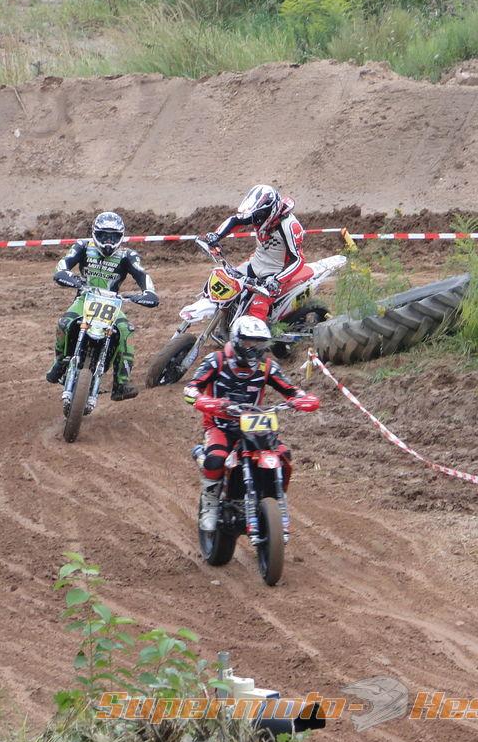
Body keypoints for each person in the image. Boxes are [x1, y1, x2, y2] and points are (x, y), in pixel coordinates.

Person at [183, 315, 319, 531]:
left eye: (259, 343)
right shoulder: (217, 361)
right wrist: (206, 401)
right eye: (249, 342)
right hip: (220, 425)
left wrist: (302, 399)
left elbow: (291, 390)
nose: (254, 348)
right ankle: (209, 504)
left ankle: (274, 498)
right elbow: (191, 389)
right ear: (237, 340)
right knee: (216, 459)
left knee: (283, 455)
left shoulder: (266, 367)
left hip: (254, 425)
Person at [45, 211, 159, 400]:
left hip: (112, 303)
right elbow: (63, 264)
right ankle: (60, 363)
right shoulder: (82, 246)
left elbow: (142, 275)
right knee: (64, 323)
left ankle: (121, 383)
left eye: (113, 237)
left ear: (121, 236)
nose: (108, 241)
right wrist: (65, 274)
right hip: (85, 298)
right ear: (94, 233)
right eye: (103, 235)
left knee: (126, 330)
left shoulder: (128, 255)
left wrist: (149, 292)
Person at [201, 184, 308, 321]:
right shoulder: (259, 214)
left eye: (259, 214)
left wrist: (277, 280)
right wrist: (216, 236)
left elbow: (298, 259)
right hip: (256, 264)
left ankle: (258, 334)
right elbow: (235, 220)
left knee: (257, 307)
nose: (255, 218)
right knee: (227, 287)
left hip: (277, 274)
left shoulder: (290, 226)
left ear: (271, 209)